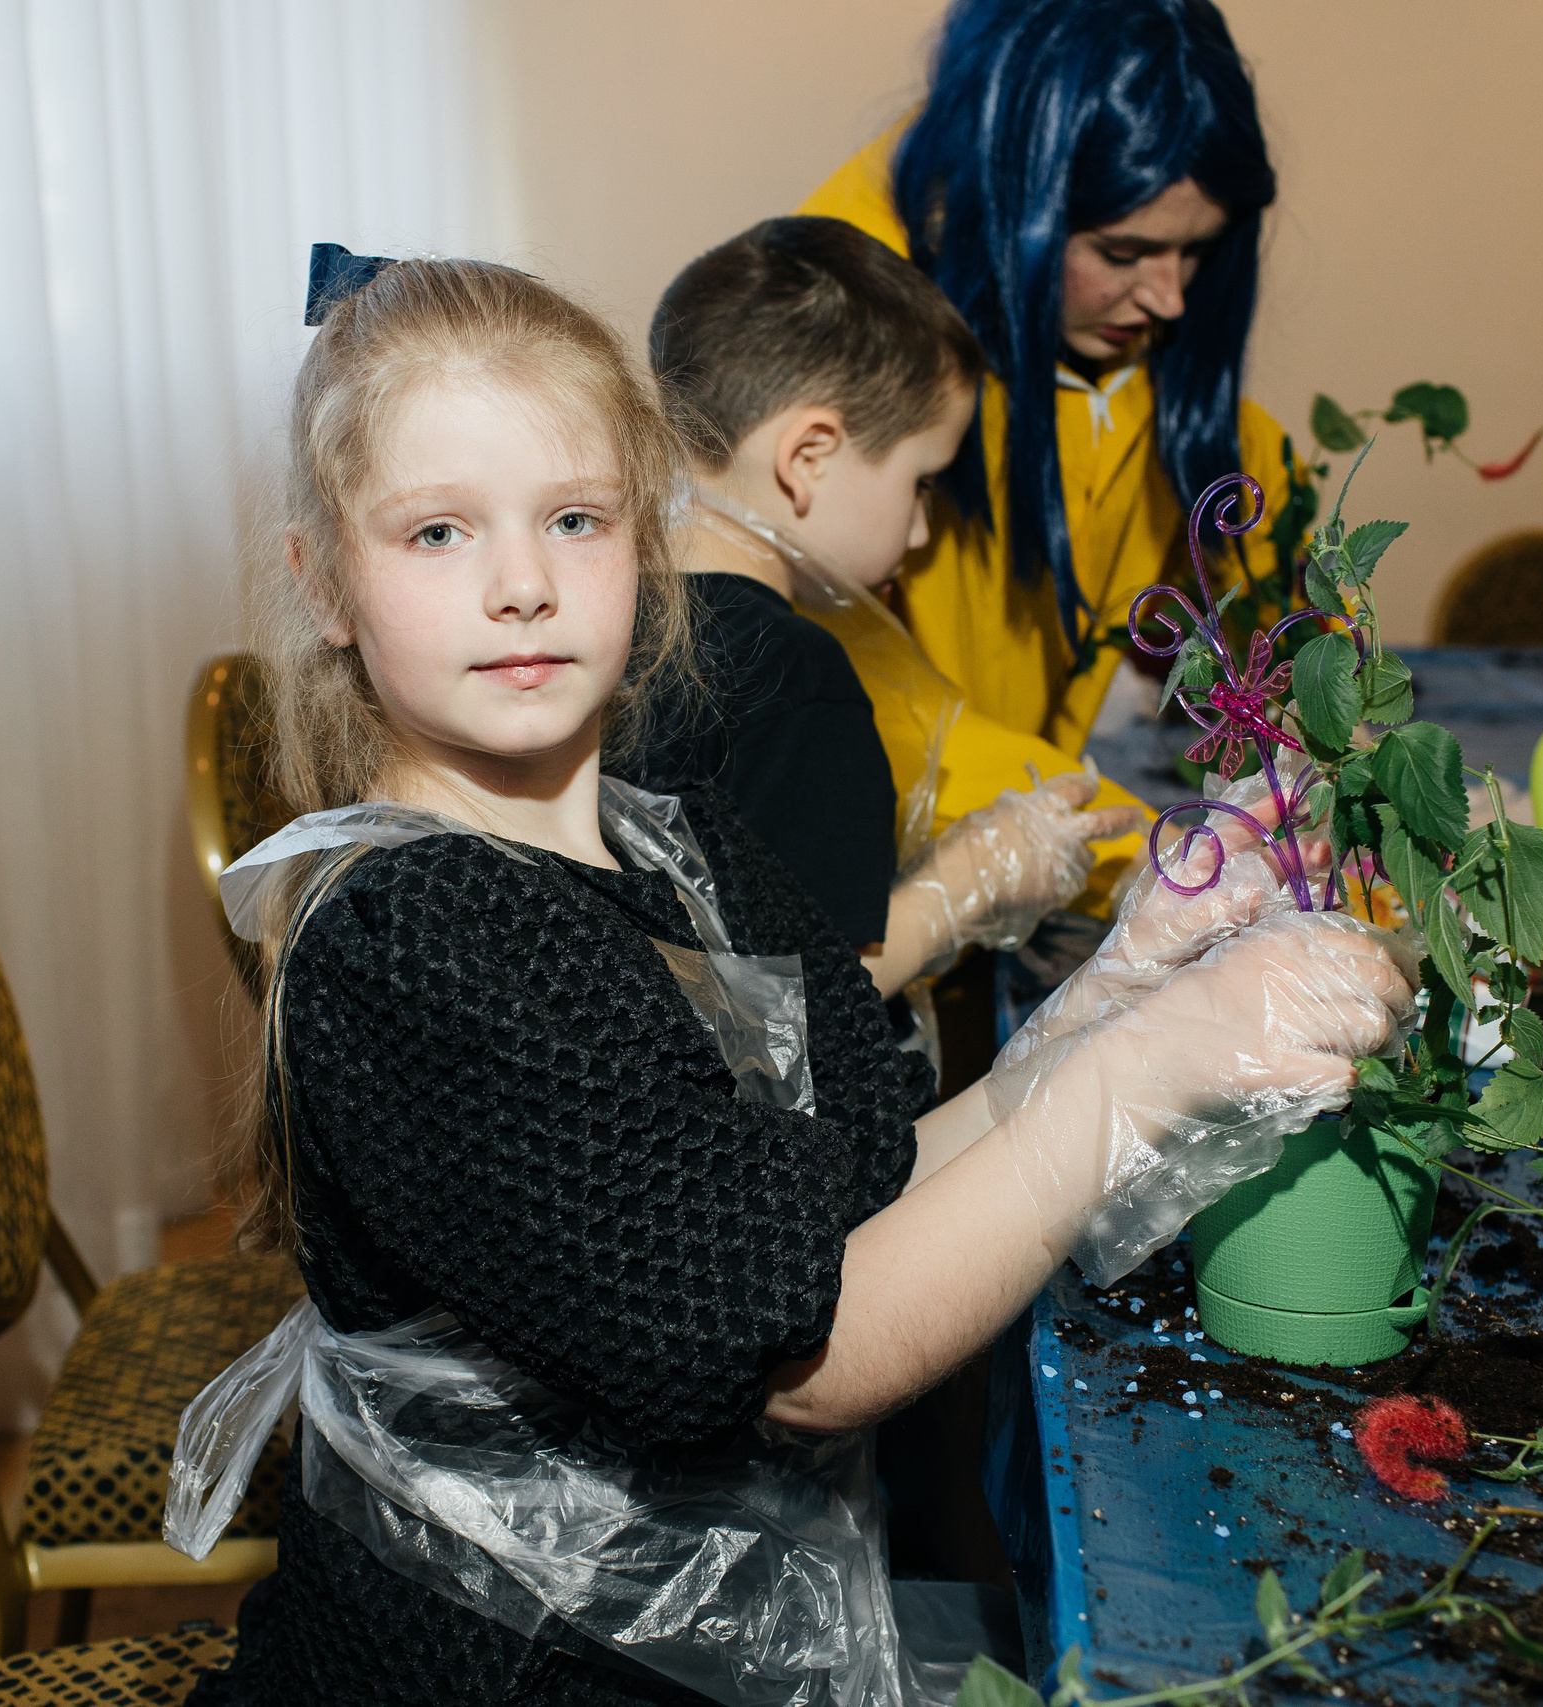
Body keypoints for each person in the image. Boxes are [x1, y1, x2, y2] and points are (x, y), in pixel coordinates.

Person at [179, 252, 1415, 1706]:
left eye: (574, 518)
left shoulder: (672, 843)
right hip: (500, 1667)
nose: (520, 584)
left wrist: (1126, 990)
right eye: (438, 532)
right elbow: (813, 1346)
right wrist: (1150, 1067)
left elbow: (864, 1178)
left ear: (645, 541)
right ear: (322, 581)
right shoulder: (419, 939)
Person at [797, 0, 1301, 835]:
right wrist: (1133, 848)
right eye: (1123, 253)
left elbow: (1233, 470)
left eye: (1197, 250)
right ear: (1011, 200)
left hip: (1015, 827)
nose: (1170, 298)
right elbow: (868, 711)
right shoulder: (844, 334)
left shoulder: (1100, 321)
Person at [633, 214, 1145, 997]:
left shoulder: (605, 619)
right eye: (921, 480)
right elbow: (806, 1009)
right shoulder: (794, 679)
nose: (920, 528)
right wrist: (974, 878)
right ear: (809, 457)